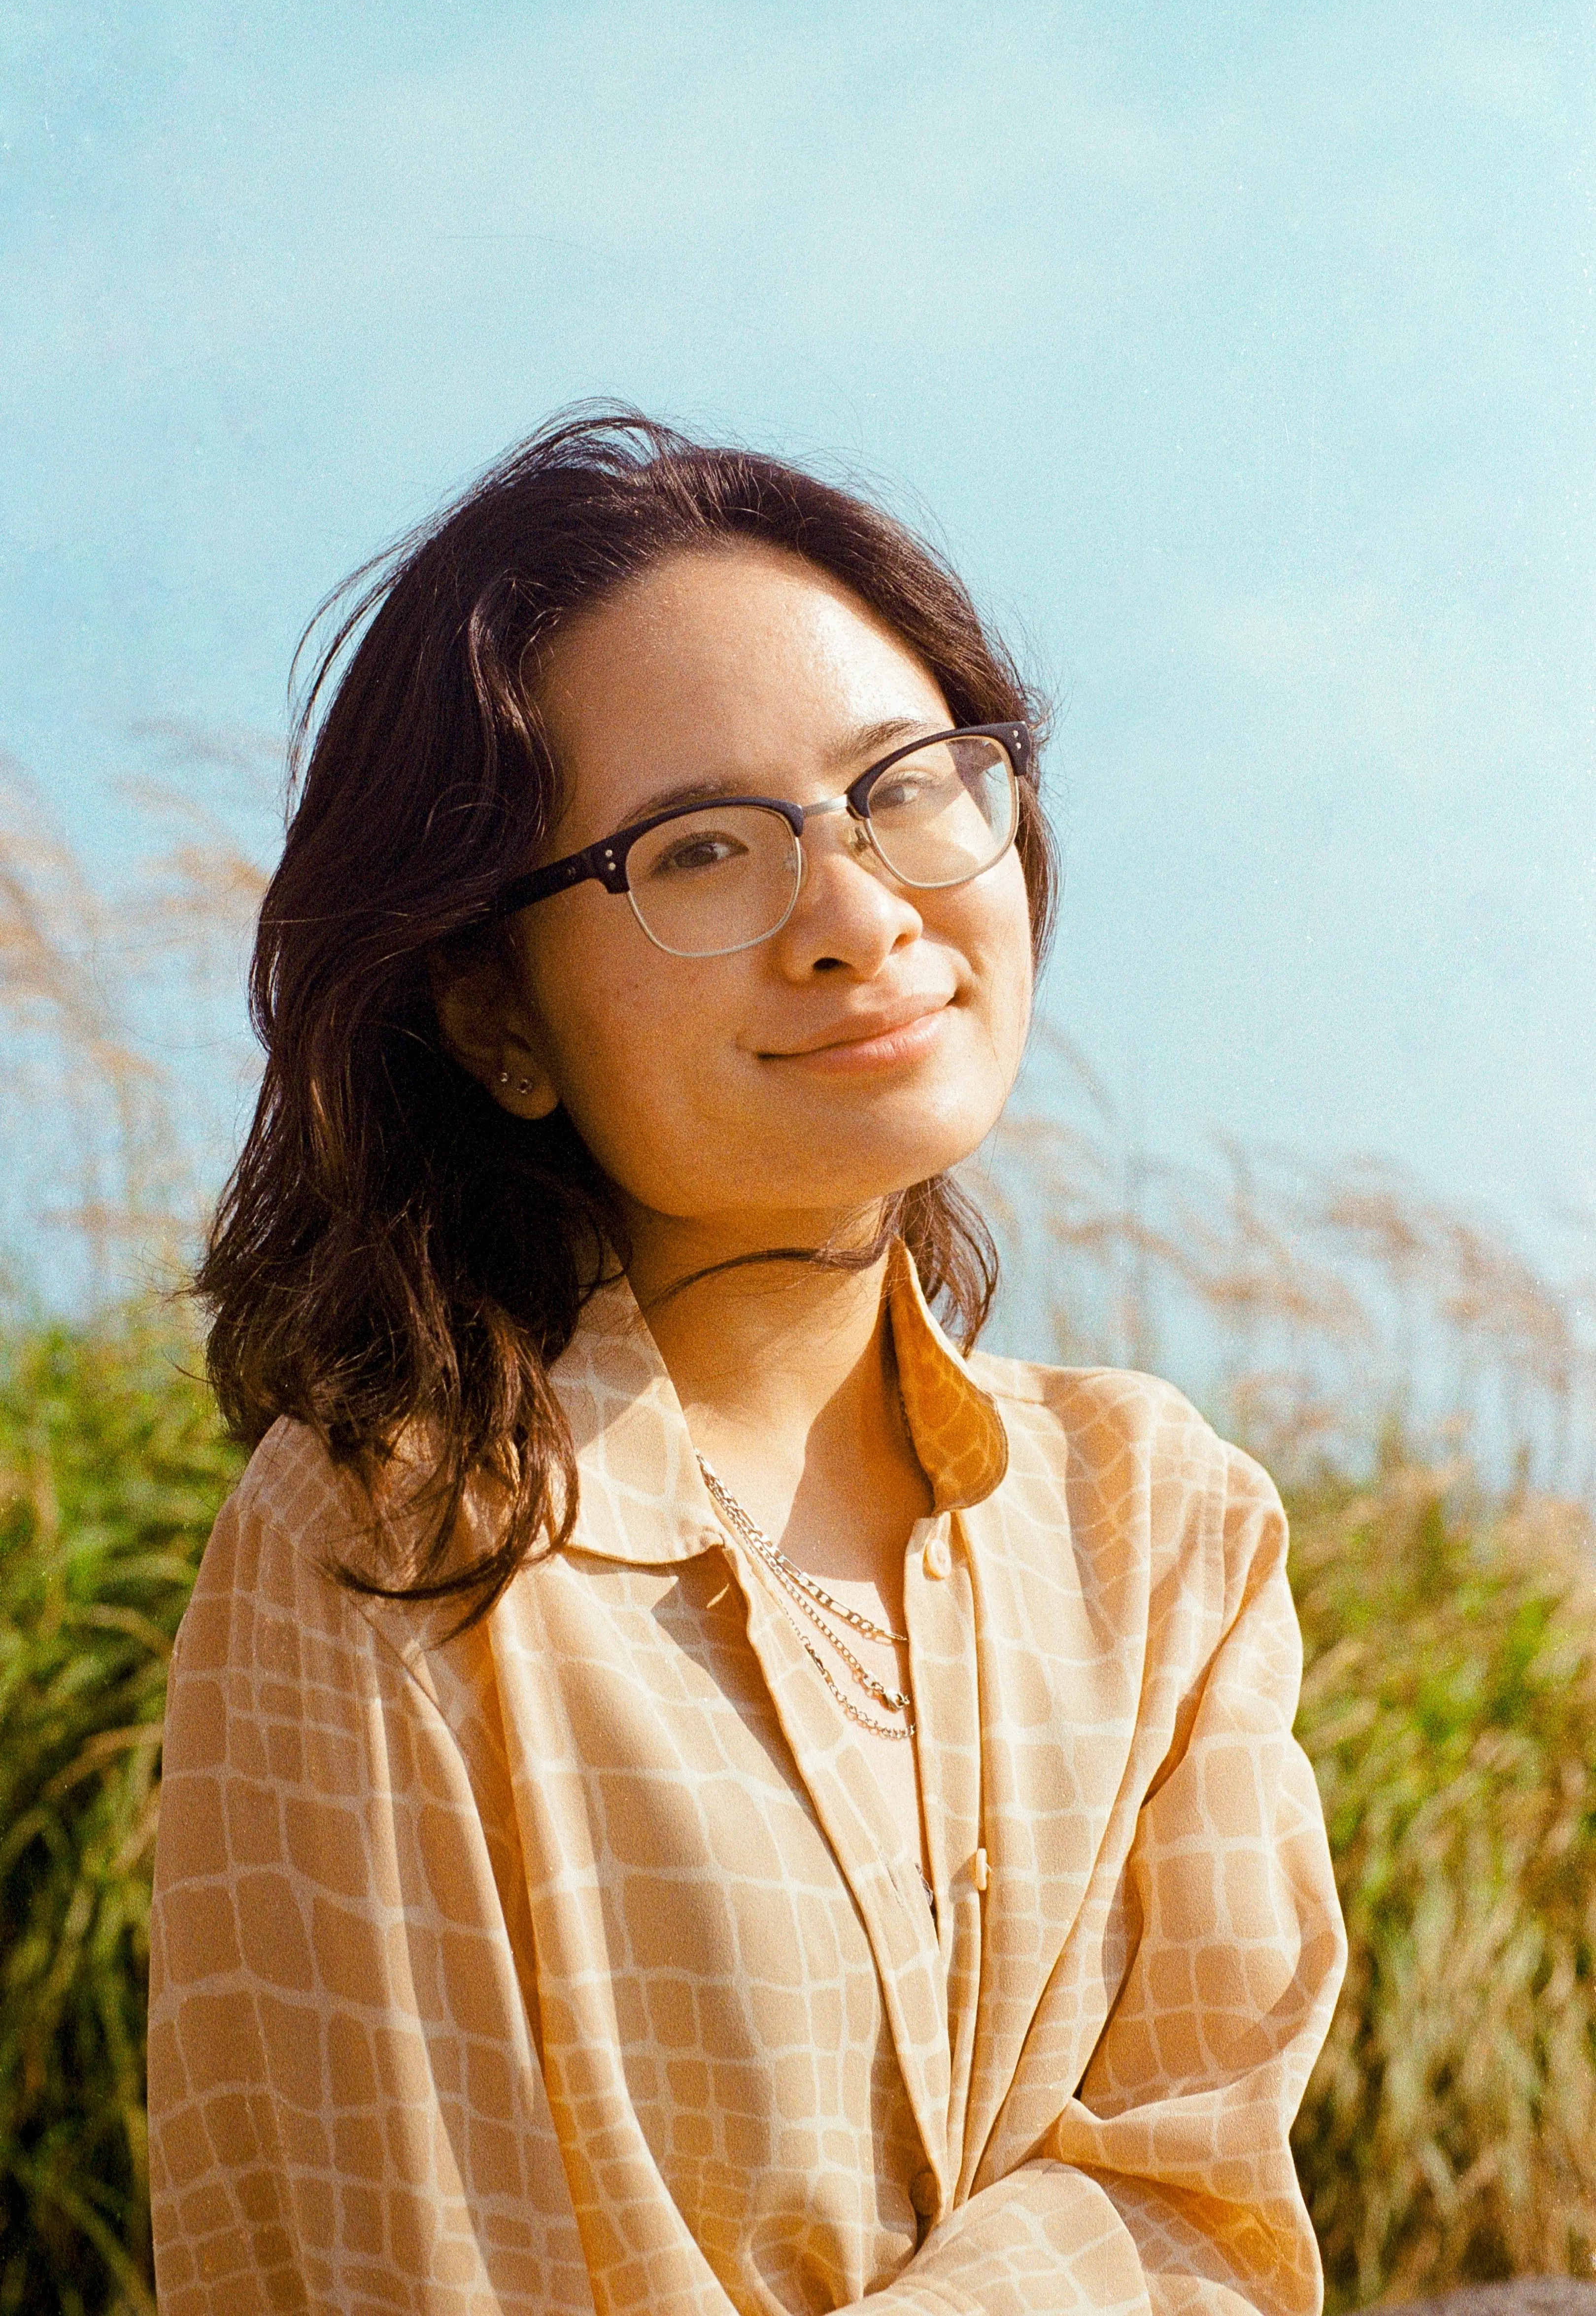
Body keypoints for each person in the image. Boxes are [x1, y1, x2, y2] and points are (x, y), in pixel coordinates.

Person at [148, 412, 1346, 2316]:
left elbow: (1198, 2211)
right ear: (490, 1012)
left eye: (906, 789)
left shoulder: (1162, 1528)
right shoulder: (393, 1546)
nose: (860, 914)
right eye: (699, 850)